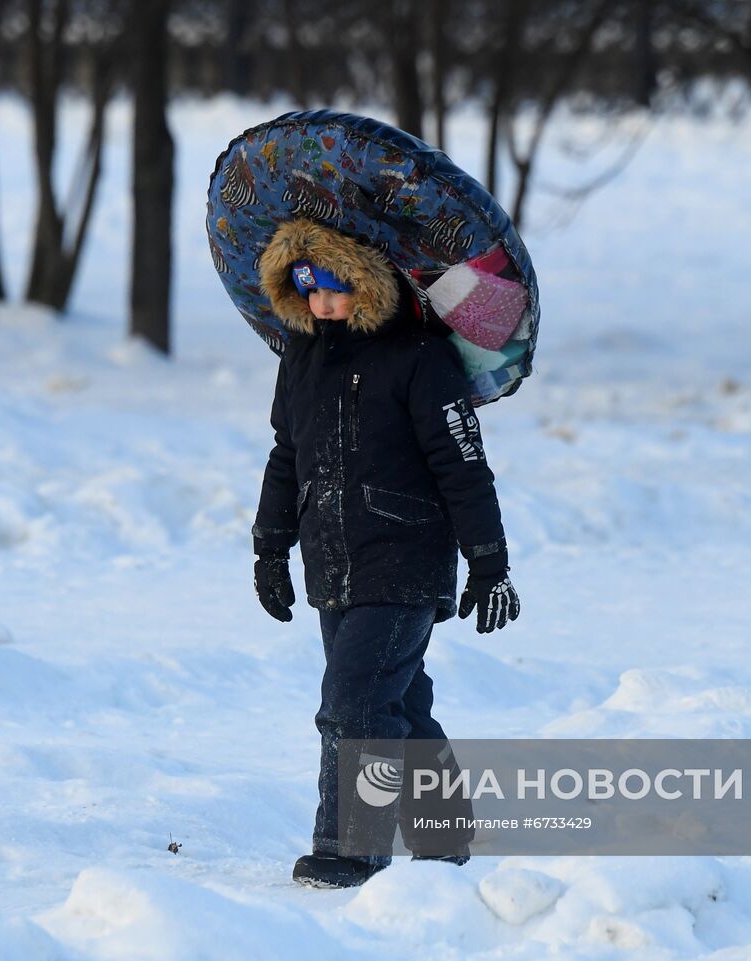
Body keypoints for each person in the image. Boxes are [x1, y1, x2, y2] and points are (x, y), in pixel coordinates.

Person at [250, 217, 521, 888]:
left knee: (354, 699)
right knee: (397, 703)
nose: (320, 302)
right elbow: (287, 457)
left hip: (405, 559)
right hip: (334, 562)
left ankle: (351, 847)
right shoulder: (301, 358)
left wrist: (489, 562)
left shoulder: (420, 359)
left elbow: (464, 465)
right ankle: (445, 833)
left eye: (335, 286)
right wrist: (270, 549)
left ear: (368, 283)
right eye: (306, 286)